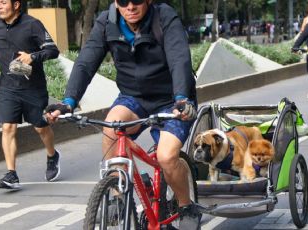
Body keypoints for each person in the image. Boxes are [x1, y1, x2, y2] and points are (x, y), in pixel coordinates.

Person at [44, 0, 200, 229]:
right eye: (123, 1)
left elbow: (179, 59)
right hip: (133, 97)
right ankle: (116, 195)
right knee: (111, 127)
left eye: (136, 0)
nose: (130, 6)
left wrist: (181, 99)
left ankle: (186, 205)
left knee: (166, 157)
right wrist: (68, 102)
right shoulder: (107, 22)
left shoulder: (164, 17)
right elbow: (86, 63)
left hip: (172, 100)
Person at [0, 0, 61, 189]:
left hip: (33, 88)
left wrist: (33, 56)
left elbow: (53, 50)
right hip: (8, 88)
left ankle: (52, 155)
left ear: (16, 5)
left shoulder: (32, 24)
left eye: (3, 2)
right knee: (7, 128)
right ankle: (11, 174)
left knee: (41, 128)